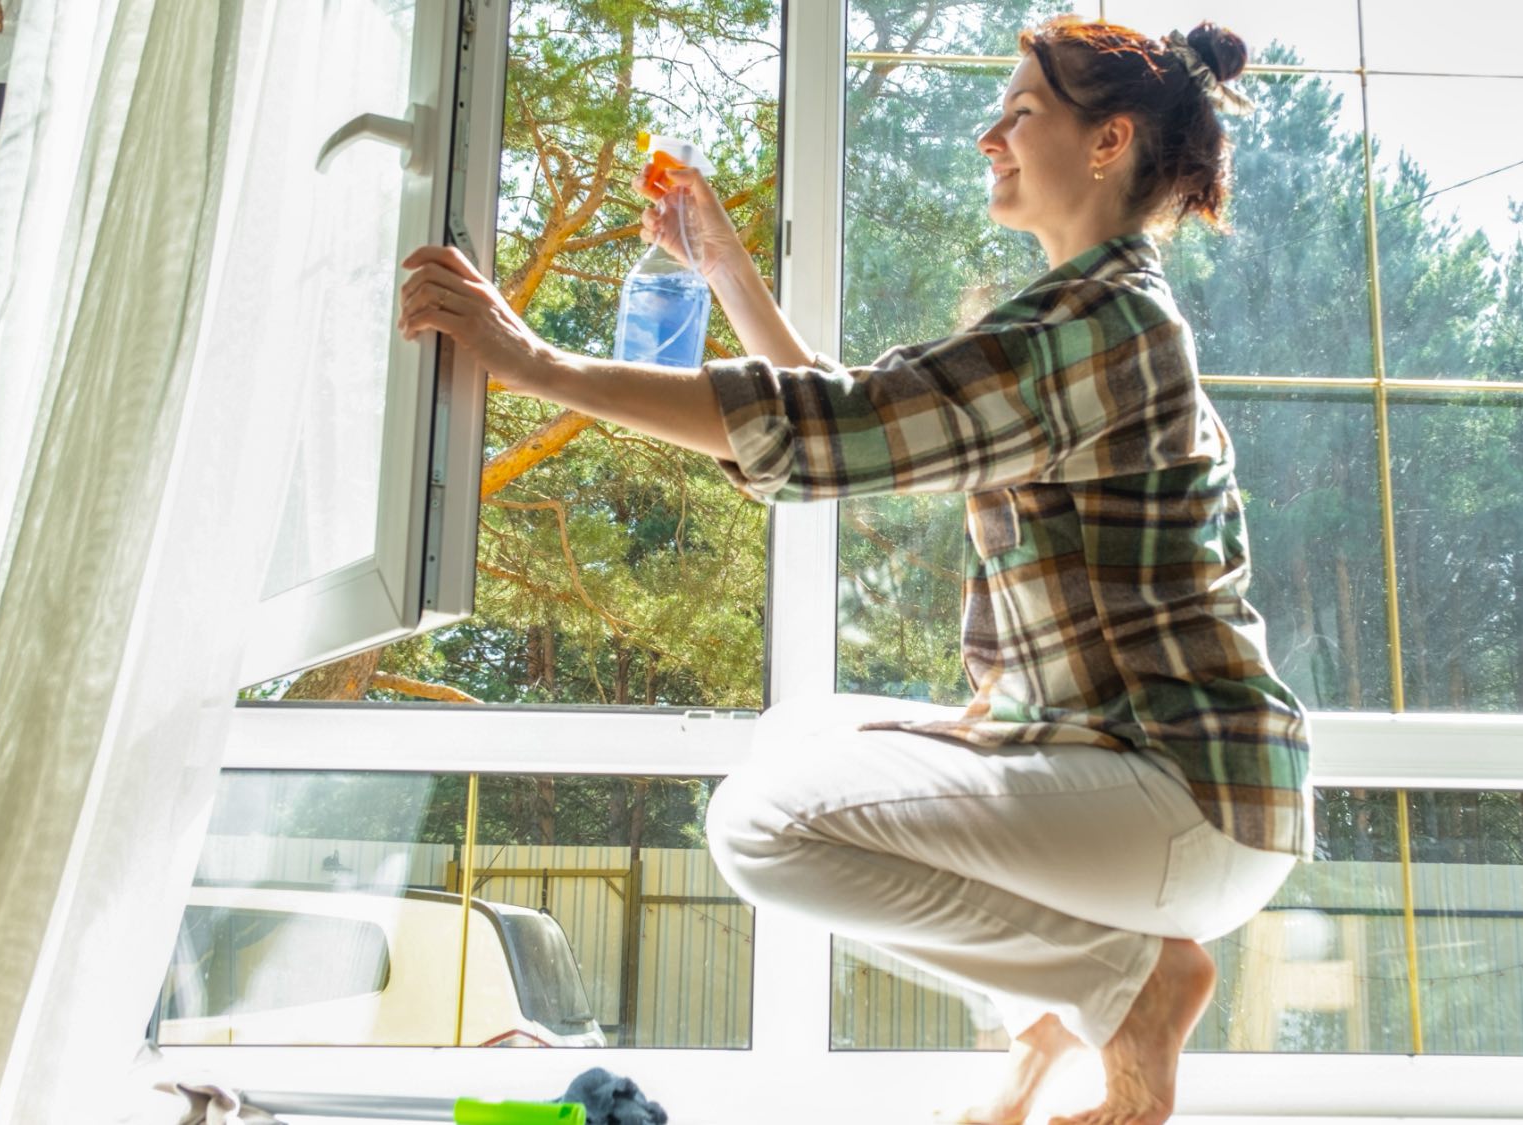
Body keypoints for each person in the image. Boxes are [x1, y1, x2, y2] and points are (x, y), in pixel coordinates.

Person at [398, 16, 1310, 1125]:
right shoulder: (1086, 315)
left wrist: (532, 363)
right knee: (796, 737)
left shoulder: (1100, 325)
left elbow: (837, 428)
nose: (990, 135)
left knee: (760, 825)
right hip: (1149, 784)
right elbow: (853, 419)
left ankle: (1127, 988)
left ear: (1108, 140)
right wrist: (725, 269)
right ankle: (1044, 1028)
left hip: (1185, 799)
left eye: (1019, 111)